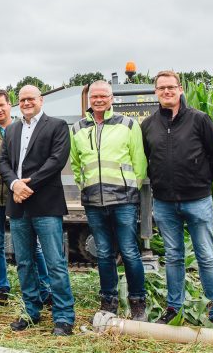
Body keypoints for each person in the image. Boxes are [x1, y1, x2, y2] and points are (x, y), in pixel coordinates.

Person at [140, 71, 213, 329]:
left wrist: (200, 181)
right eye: (161, 88)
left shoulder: (199, 119)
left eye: (171, 87)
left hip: (197, 200)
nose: (166, 91)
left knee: (206, 256)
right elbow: (147, 159)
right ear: (155, 92)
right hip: (165, 203)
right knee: (174, 256)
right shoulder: (149, 125)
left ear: (180, 89)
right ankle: (174, 308)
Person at [0, 85, 75, 336]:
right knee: (24, 262)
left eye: (31, 98)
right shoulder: (12, 129)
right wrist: (14, 184)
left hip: (45, 203)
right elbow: (3, 162)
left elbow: (57, 160)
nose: (26, 103)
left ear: (41, 100)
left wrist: (28, 185)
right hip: (18, 204)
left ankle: (63, 316)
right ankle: (31, 310)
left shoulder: (57, 126)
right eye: (22, 100)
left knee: (55, 262)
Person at [69, 80, 148, 319]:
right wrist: (84, 186)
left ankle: (137, 302)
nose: (99, 100)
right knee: (103, 253)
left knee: (130, 252)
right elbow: (75, 163)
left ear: (111, 98)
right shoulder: (78, 128)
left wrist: (131, 188)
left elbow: (139, 162)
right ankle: (108, 301)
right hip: (93, 201)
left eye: (104, 96)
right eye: (95, 97)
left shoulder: (128, 124)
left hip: (123, 200)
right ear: (89, 100)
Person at [0, 89, 52, 306]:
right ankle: (2, 289)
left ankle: (45, 289)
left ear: (10, 105)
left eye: (2, 105)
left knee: (31, 245)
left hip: (19, 197)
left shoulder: (22, 129)